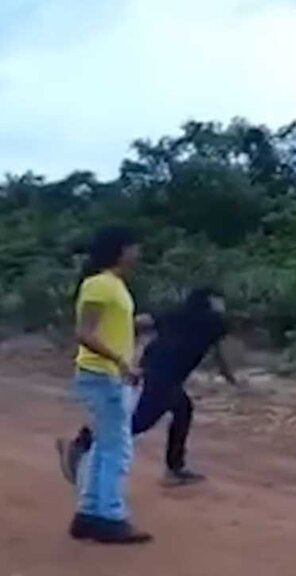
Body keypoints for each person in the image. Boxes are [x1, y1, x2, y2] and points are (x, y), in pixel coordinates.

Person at [57, 287, 241, 491]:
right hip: (165, 376)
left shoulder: (177, 314)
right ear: (210, 302)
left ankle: (175, 468)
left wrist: (110, 334)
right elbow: (218, 351)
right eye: (219, 301)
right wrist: (230, 377)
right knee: (139, 422)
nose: (222, 305)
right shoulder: (214, 323)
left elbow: (141, 322)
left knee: (182, 410)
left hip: (154, 367)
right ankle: (81, 443)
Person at [60, 225, 151, 544]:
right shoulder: (101, 285)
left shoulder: (113, 285)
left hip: (104, 374)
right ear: (121, 249)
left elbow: (105, 327)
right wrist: (121, 361)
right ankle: (110, 515)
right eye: (134, 246)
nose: (138, 253)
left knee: (103, 447)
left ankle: (89, 514)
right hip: (103, 375)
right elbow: (85, 332)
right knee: (117, 449)